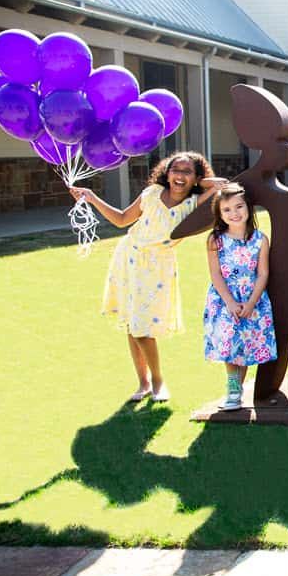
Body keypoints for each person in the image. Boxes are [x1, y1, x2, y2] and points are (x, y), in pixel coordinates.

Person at [70, 152, 226, 402]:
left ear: (197, 177)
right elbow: (122, 220)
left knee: (142, 326)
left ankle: (158, 382)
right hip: (129, 259)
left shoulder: (194, 203)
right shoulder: (152, 193)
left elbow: (222, 185)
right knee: (133, 324)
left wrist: (201, 182)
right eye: (175, 169)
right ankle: (143, 384)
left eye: (187, 171)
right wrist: (92, 198)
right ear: (166, 172)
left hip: (158, 266)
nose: (180, 176)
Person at [202, 183, 277, 411]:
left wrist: (252, 302)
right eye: (227, 209)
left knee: (245, 347)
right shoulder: (215, 240)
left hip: (253, 300)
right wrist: (230, 302)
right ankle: (233, 389)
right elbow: (215, 274)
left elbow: (263, 273)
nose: (234, 213)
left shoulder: (260, 239)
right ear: (220, 213)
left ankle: (237, 390)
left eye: (239, 207)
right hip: (225, 300)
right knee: (230, 346)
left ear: (248, 208)